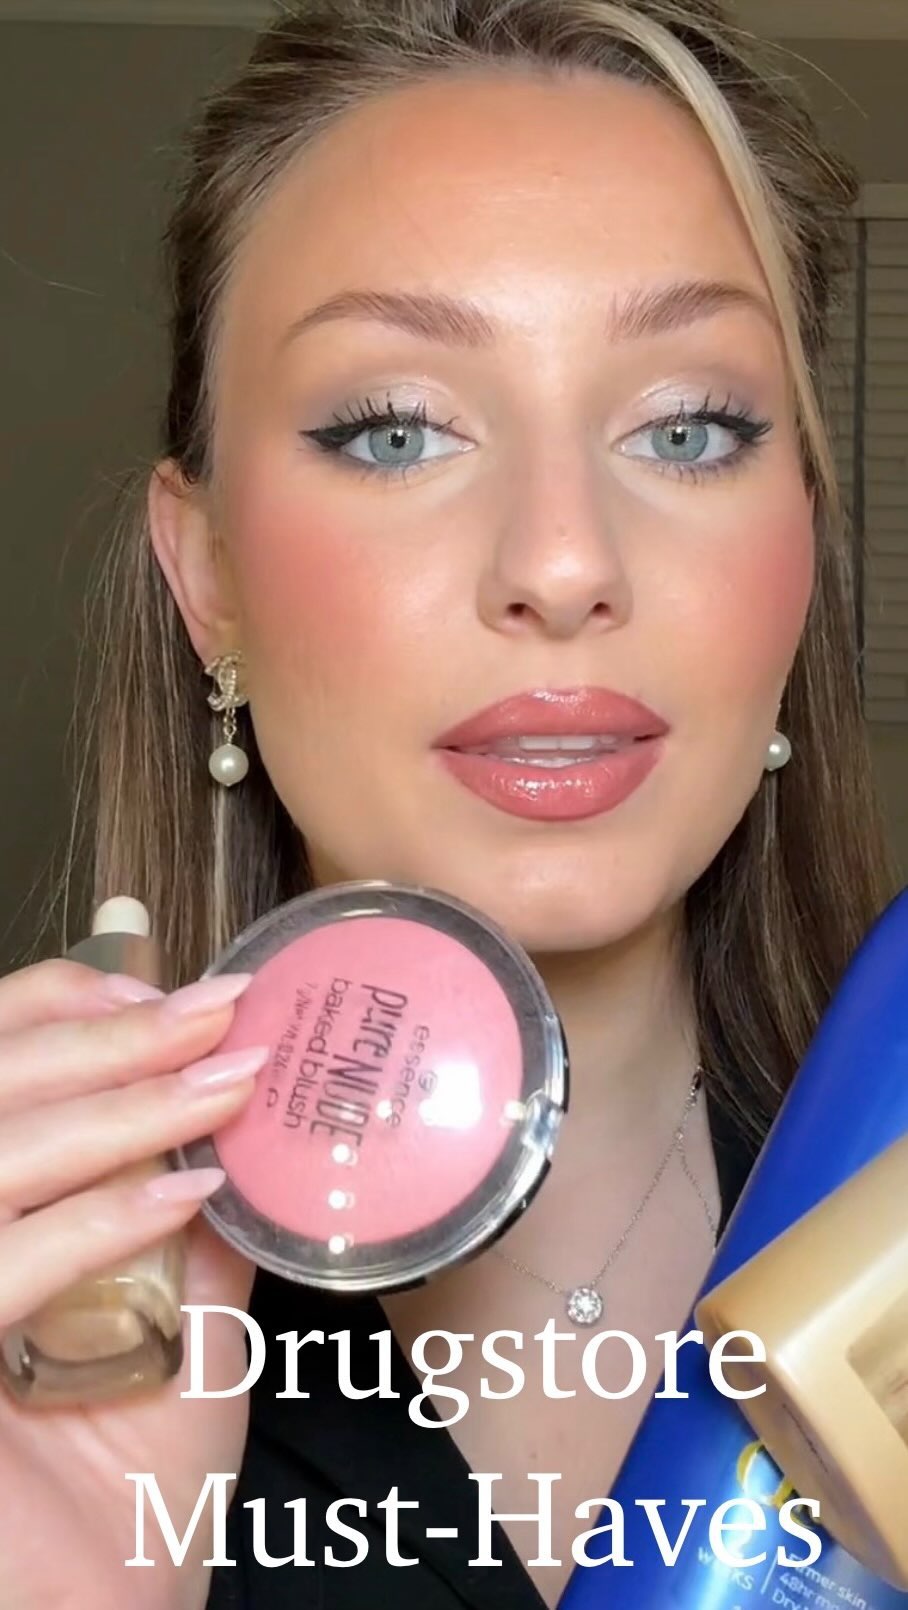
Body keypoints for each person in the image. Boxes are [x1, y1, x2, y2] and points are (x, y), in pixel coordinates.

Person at [0, 1, 896, 1606]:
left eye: (687, 428)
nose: (562, 561)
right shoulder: (50, 1356)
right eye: (397, 429)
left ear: (801, 558)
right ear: (208, 576)